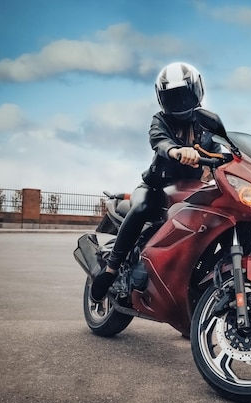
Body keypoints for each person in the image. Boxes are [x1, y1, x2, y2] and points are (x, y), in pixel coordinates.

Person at [90, 62, 222, 302]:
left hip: (188, 192)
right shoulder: (161, 120)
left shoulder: (207, 123)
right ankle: (111, 269)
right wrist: (176, 151)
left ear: (197, 90)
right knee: (141, 207)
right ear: (162, 98)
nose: (180, 101)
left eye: (184, 94)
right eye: (173, 97)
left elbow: (223, 149)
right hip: (155, 188)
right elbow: (159, 141)